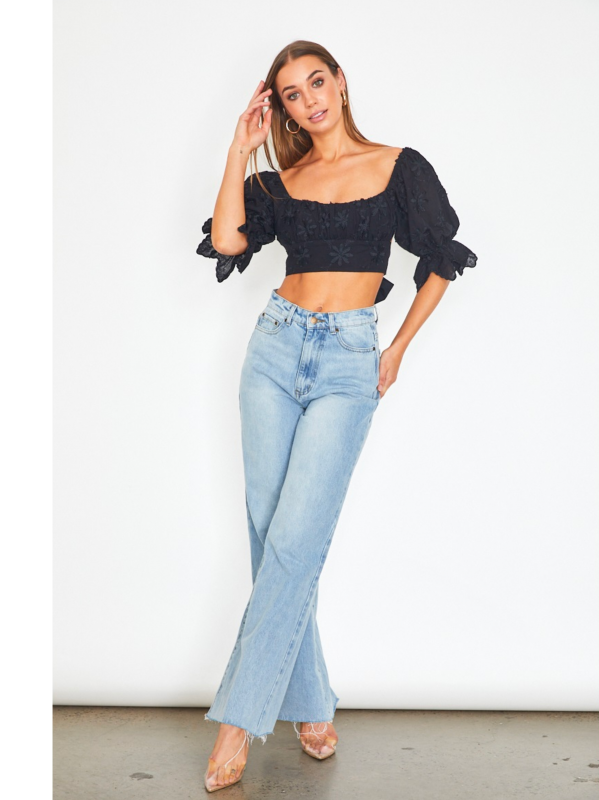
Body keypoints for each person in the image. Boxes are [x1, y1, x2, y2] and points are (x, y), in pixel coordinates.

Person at [196, 40, 478, 793]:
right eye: (292, 93)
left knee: (297, 539)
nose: (309, 99)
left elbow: (441, 259)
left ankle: (238, 720)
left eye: (317, 82)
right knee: (271, 534)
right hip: (274, 349)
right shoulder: (284, 180)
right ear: (282, 109)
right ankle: (311, 703)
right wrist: (239, 149)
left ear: (341, 83)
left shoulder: (398, 167)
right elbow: (226, 240)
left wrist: (398, 348)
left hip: (351, 357)